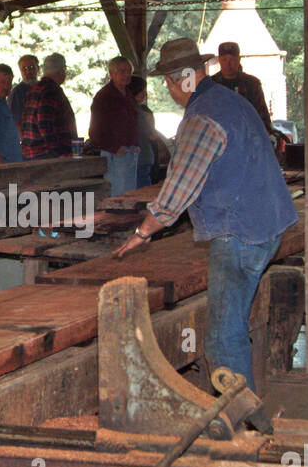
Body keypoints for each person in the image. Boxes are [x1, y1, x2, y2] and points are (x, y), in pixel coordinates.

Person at [113, 38, 296, 395]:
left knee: (223, 338)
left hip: (241, 232)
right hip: (267, 223)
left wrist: (144, 230)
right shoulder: (231, 100)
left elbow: (180, 187)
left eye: (168, 82)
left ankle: (245, 423)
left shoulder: (202, 117)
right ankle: (243, 411)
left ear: (184, 78)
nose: (168, 90)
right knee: (232, 324)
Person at [89, 56, 141, 195]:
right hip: (116, 155)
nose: (127, 75)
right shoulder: (104, 97)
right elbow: (94, 132)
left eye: (129, 71)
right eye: (122, 71)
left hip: (130, 153)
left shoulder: (128, 94)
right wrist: (114, 148)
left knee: (130, 197)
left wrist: (136, 144)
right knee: (118, 198)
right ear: (111, 73)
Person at [19, 53, 78, 159]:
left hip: (33, 154)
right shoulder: (51, 91)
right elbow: (44, 123)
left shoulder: (34, 89)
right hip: (46, 155)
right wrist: (58, 153)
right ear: (61, 71)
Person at [209, 41, 274, 136]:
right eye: (224, 60)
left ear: (239, 60)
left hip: (247, 138)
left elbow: (263, 118)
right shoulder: (211, 85)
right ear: (219, 60)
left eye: (232, 59)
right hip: (218, 138)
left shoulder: (252, 84)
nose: (228, 64)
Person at [129, 74, 156, 189]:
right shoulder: (138, 111)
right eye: (142, 91)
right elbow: (151, 136)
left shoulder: (128, 108)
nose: (145, 94)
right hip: (142, 158)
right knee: (143, 190)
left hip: (133, 159)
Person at [9, 54, 39, 122]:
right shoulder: (17, 93)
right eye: (24, 68)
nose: (28, 72)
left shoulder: (44, 89)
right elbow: (14, 122)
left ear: (38, 68)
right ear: (20, 71)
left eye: (31, 67)